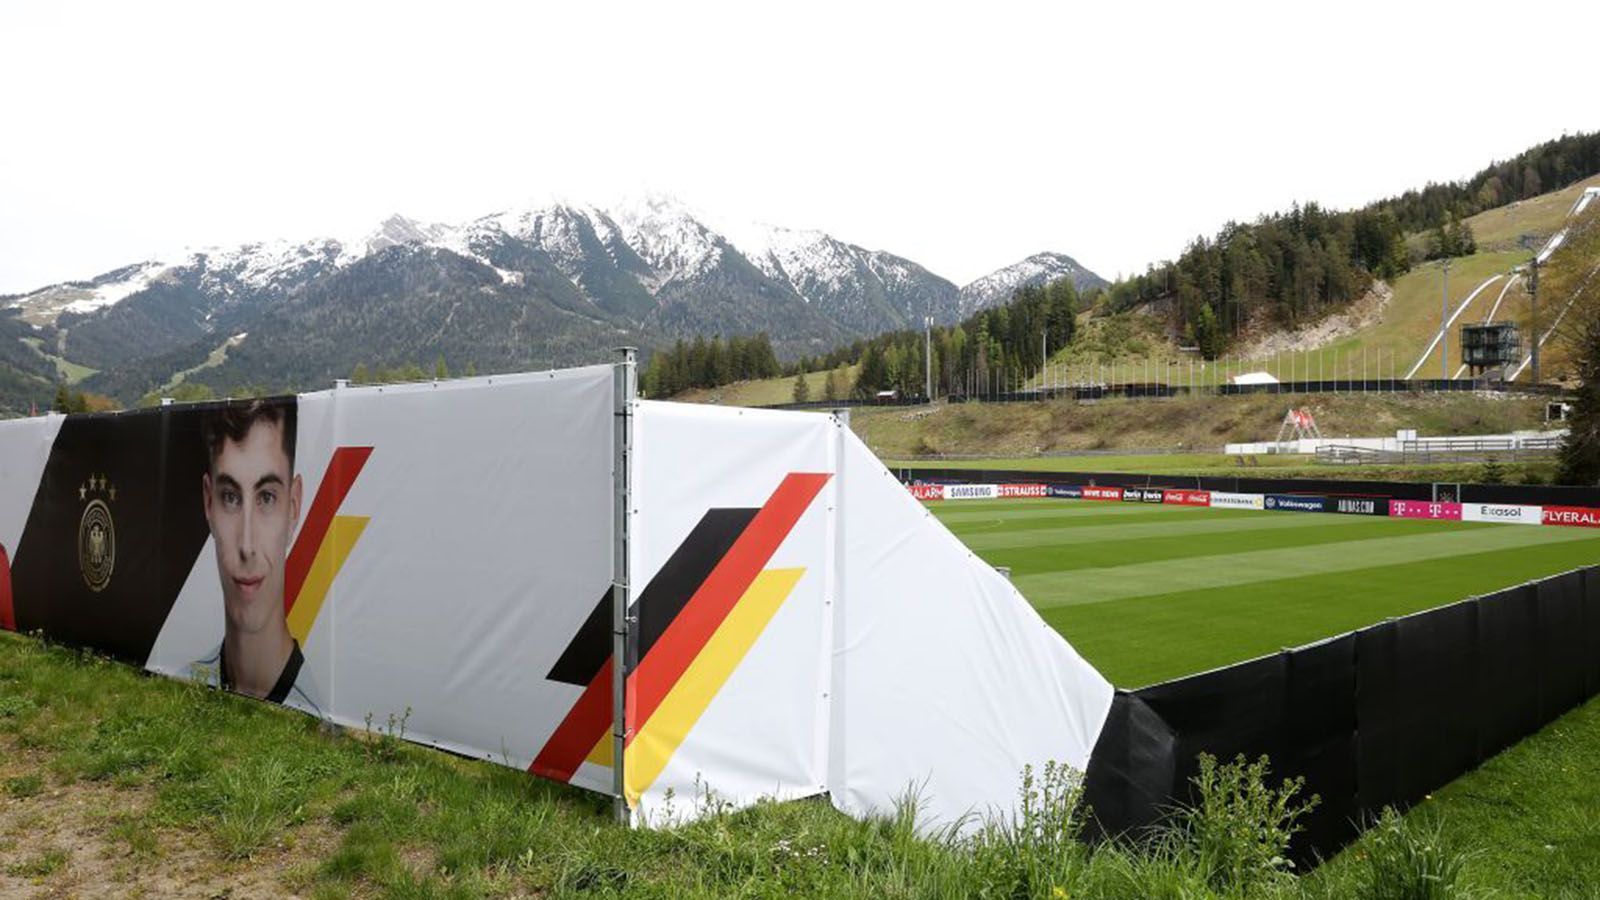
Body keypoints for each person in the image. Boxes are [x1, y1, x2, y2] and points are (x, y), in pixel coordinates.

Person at [191, 399, 322, 714]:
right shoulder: (187, 683)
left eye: (266, 497)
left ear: (293, 508)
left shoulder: (319, 718)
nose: (247, 546)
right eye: (230, 498)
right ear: (209, 503)